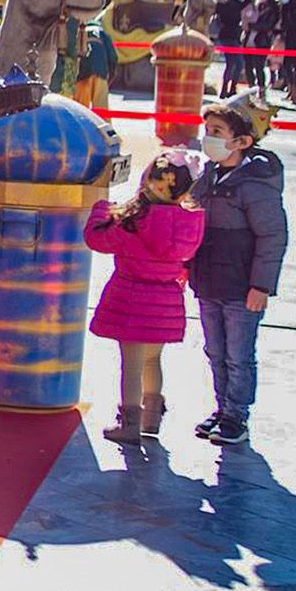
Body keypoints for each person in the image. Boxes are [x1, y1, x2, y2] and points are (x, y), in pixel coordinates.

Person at [187, 91, 288, 447]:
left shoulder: (256, 184)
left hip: (242, 285)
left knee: (239, 355)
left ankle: (237, 415)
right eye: (207, 129)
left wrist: (261, 284)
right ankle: (221, 407)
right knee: (215, 351)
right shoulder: (208, 176)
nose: (208, 137)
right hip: (208, 281)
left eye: (217, 131)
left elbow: (273, 236)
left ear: (242, 141)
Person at [82, 151, 204, 444]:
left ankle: (129, 424)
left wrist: (101, 207)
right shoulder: (191, 223)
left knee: (131, 365)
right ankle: (152, 419)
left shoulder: (132, 221)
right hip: (166, 301)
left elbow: (96, 239)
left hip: (132, 298)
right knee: (153, 361)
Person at [215, 0, 248, 98]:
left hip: (233, 37)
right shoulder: (226, 4)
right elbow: (233, 13)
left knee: (236, 63)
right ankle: (226, 88)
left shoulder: (234, 4)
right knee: (234, 63)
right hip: (228, 37)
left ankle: (231, 88)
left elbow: (241, 6)